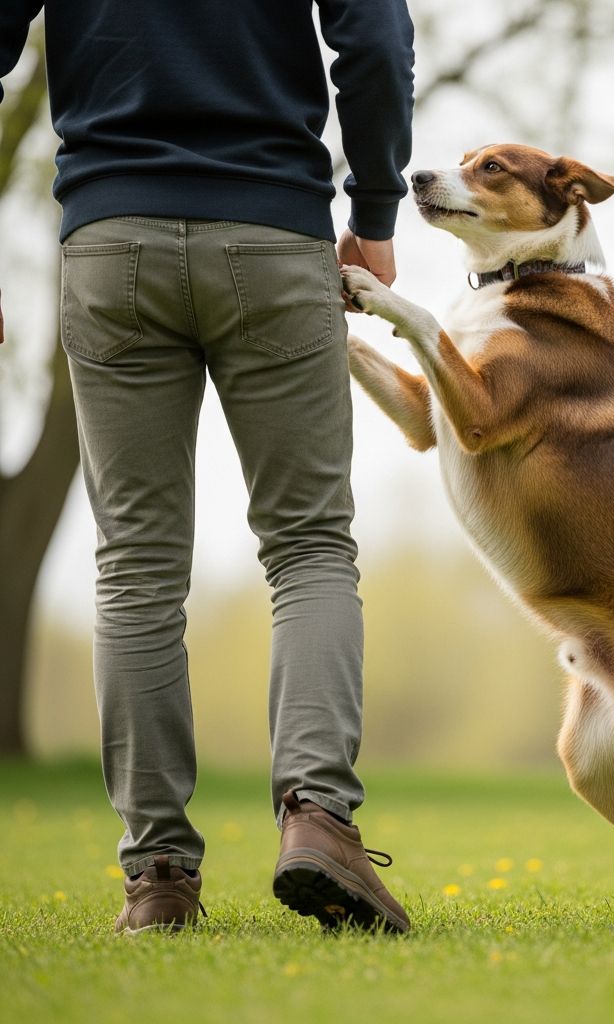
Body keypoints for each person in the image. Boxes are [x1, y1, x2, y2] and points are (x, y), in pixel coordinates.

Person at [0, 0, 415, 935]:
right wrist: (376, 207)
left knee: (135, 567)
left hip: (110, 240)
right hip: (272, 234)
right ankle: (319, 822)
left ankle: (157, 877)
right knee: (309, 544)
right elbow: (377, 37)